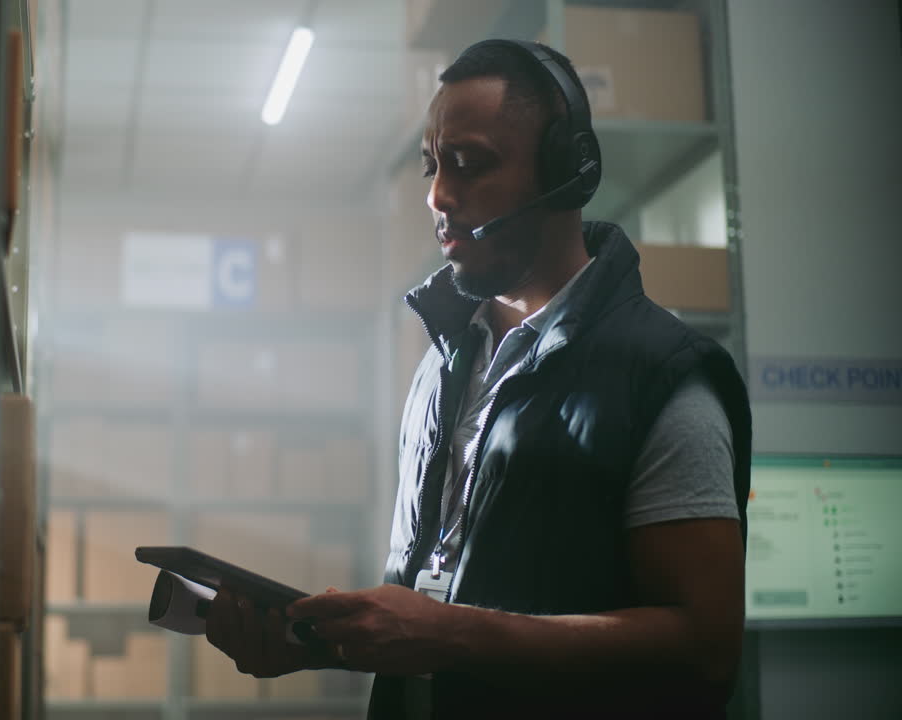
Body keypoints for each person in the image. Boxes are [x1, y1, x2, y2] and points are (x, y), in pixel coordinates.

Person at [206, 39, 751, 718]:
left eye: (469, 164)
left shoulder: (664, 379)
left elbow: (706, 648)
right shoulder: (440, 367)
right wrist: (314, 645)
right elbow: (431, 604)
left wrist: (453, 635)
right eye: (432, 165)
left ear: (566, 172)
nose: (437, 194)